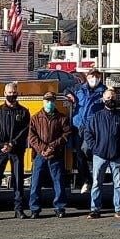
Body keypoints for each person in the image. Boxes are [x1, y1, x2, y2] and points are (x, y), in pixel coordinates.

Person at [84, 88, 120, 219]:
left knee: (118, 184)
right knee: (96, 183)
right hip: (99, 156)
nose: (110, 100)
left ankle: (119, 209)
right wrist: (95, 148)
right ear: (103, 99)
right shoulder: (96, 117)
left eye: (113, 97)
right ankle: (95, 209)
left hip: (117, 156)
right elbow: (88, 134)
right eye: (108, 98)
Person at [0, 82, 31, 221]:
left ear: (17, 93)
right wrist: (1, 145)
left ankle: (19, 210)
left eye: (14, 92)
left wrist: (12, 143)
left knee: (18, 180)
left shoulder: (23, 112)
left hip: (16, 151)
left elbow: (25, 131)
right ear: (4, 93)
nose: (12, 95)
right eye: (9, 93)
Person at [28, 91, 73, 219]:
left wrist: (52, 147)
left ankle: (60, 207)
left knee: (58, 182)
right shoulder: (35, 118)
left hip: (55, 155)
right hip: (39, 155)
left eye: (52, 101)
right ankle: (34, 209)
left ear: (55, 102)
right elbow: (31, 137)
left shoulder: (62, 118)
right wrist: (42, 149)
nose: (49, 103)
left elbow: (66, 134)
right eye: (47, 100)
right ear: (43, 101)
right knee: (35, 183)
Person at [66, 69, 107, 194]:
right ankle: (86, 180)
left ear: (100, 78)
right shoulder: (79, 89)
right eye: (91, 76)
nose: (93, 78)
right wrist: (69, 94)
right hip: (78, 126)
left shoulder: (103, 91)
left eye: (96, 76)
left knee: (87, 150)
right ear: (87, 77)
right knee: (79, 155)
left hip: (93, 127)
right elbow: (67, 90)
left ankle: (95, 179)